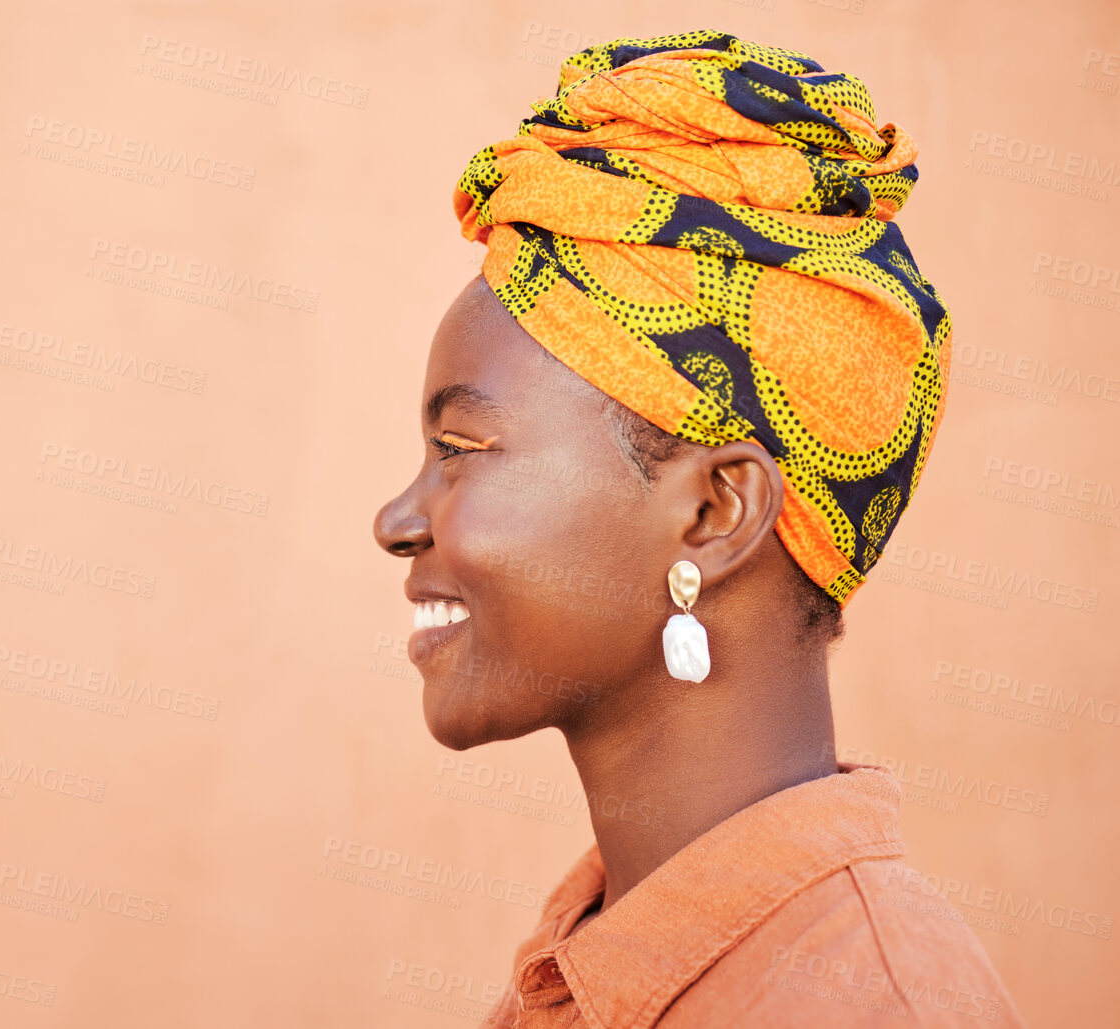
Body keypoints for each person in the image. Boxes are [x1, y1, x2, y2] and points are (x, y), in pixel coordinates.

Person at [372, 30, 1026, 1027]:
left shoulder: (868, 1003)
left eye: (460, 446)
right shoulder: (587, 970)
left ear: (713, 514)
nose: (396, 519)